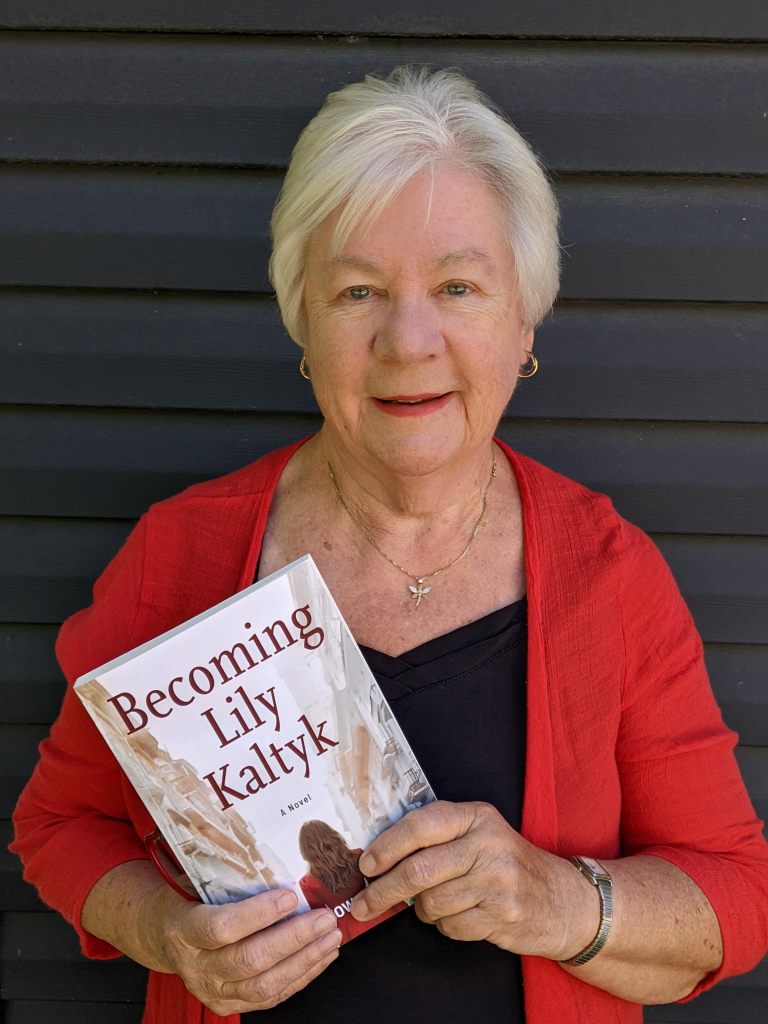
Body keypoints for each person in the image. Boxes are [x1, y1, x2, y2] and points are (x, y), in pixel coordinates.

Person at [11, 67, 768, 1024]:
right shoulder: (183, 554)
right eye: (358, 291)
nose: (408, 341)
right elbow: (60, 824)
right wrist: (167, 932)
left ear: (524, 321)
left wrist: (555, 899)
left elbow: (735, 898)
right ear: (303, 318)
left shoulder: (608, 573)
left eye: (458, 287)